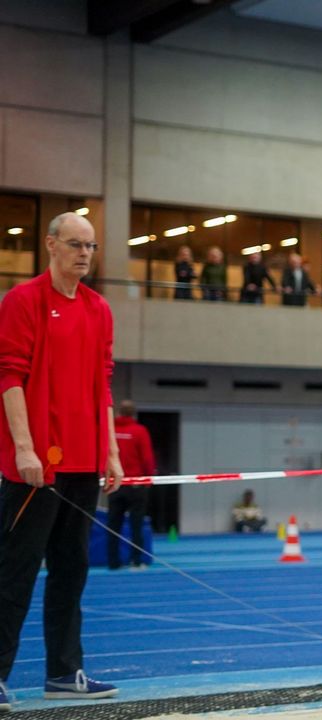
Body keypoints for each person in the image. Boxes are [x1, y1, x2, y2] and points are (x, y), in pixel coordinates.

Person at [0, 212, 123, 708]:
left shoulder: (99, 309)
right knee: (16, 570)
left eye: (91, 247)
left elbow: (104, 385)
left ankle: (64, 672)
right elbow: (9, 377)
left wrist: (110, 450)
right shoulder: (22, 300)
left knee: (72, 570)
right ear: (51, 245)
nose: (85, 254)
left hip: (84, 462)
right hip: (34, 466)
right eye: (75, 244)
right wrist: (24, 447)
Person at [106, 400, 156, 570]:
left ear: (119, 413)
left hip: (115, 484)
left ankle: (113, 562)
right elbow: (147, 458)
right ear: (134, 414)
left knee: (114, 524)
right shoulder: (139, 431)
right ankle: (136, 561)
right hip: (135, 485)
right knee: (136, 524)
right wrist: (148, 478)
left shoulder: (110, 431)